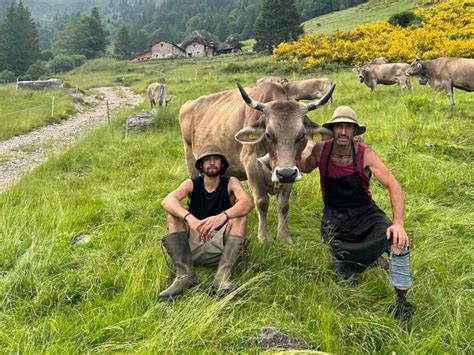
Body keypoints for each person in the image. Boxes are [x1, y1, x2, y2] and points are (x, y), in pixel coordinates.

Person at [297, 106, 414, 322]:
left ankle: (402, 303)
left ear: (354, 131)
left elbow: (393, 185)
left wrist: (398, 223)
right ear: (331, 130)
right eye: (338, 127)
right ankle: (370, 259)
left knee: (398, 243)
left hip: (365, 214)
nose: (342, 132)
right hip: (334, 217)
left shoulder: (365, 155)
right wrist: (293, 143)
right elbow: (303, 167)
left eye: (348, 127)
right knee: (344, 274)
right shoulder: (320, 151)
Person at [159, 145, 254, 301]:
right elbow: (167, 201)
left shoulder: (231, 182)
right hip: (192, 246)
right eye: (207, 160)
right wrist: (190, 218)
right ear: (201, 165)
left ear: (222, 164)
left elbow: (247, 202)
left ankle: (221, 278)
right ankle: (185, 275)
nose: (211, 163)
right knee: (173, 215)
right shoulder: (192, 183)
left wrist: (223, 216)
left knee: (240, 217)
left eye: (215, 159)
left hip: (223, 248)